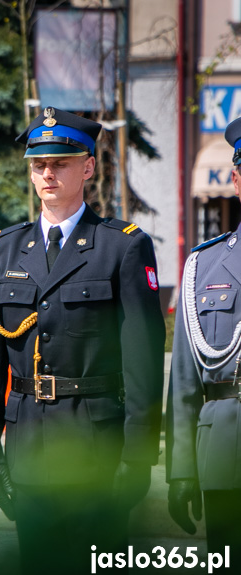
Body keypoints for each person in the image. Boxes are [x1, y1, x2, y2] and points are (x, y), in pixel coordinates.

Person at [0, 107, 166, 574]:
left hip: (98, 447)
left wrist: (136, 460)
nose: (48, 173)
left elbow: (143, 362)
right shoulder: (5, 249)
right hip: (27, 449)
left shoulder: (122, 246)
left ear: (88, 167)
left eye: (60, 162)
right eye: (39, 164)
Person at [167, 116, 241, 555]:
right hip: (224, 450)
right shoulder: (204, 267)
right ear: (236, 180)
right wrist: (181, 470)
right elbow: (184, 382)